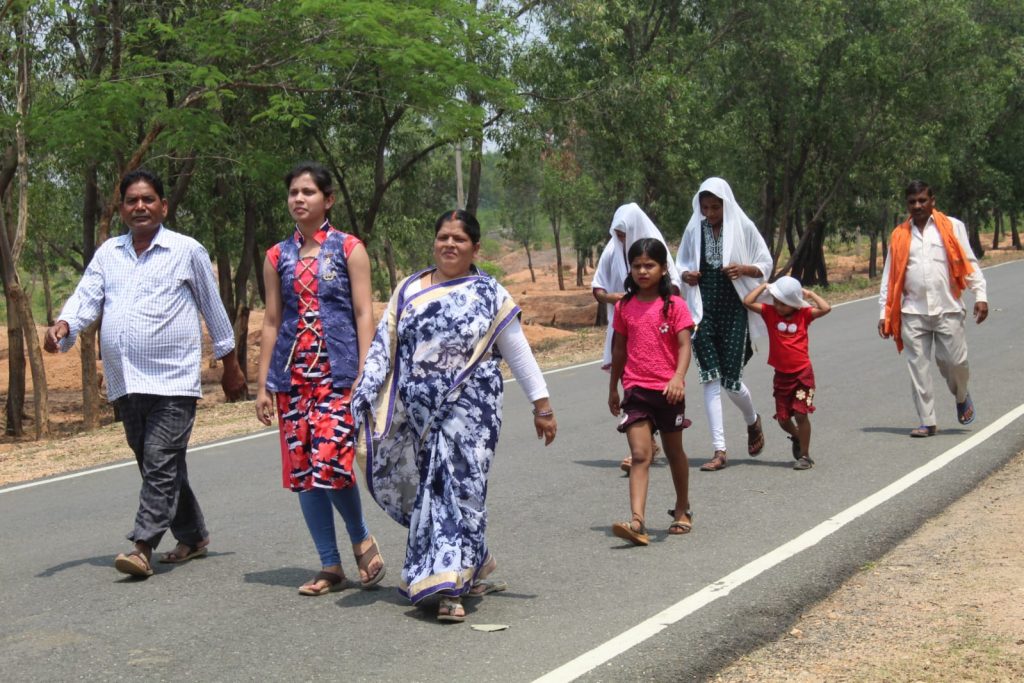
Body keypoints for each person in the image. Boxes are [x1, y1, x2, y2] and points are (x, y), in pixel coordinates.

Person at [351, 209, 557, 623]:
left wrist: (543, 406)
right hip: (418, 420)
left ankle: (449, 588)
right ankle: (465, 565)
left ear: (475, 247)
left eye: (459, 239)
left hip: (472, 415)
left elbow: (517, 351)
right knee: (435, 493)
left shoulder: (489, 293)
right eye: (443, 236)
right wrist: (363, 395)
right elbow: (383, 346)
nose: (449, 244)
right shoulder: (409, 289)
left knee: (462, 492)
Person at [43, 168, 247, 579]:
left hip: (173, 380)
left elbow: (213, 308)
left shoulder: (186, 250)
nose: (140, 206)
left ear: (163, 206)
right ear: (121, 209)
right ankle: (193, 535)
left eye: (148, 199)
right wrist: (64, 328)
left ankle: (141, 546)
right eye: (132, 200)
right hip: (125, 382)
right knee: (157, 461)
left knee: (158, 460)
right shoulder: (109, 254)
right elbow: (86, 298)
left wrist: (231, 366)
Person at [255, 162, 385, 596]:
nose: (298, 199)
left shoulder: (349, 248)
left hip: (339, 374)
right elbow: (272, 320)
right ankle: (330, 565)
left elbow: (365, 312)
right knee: (303, 472)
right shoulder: (277, 256)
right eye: (293, 191)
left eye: (308, 191)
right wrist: (262, 385)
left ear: (327, 199)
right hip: (292, 380)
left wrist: (367, 373)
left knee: (331, 461)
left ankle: (361, 535)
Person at [676, 177, 772, 471]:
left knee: (732, 383)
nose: (710, 213)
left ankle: (752, 420)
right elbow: (679, 264)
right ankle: (719, 450)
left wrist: (743, 268)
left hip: (733, 309)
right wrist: (686, 275)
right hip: (703, 311)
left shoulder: (742, 226)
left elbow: (765, 263)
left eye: (715, 207)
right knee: (710, 378)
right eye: (705, 207)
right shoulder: (695, 228)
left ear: (725, 204)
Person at [878, 180, 988, 437]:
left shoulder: (952, 227)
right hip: (912, 312)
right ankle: (927, 421)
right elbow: (889, 277)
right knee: (918, 367)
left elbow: (968, 261)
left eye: (922, 200)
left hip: (948, 308)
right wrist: (884, 313)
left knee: (954, 362)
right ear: (907, 204)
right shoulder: (899, 235)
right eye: (912, 202)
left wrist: (980, 294)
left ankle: (961, 395)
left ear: (932, 201)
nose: (917, 205)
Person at [608, 238, 694, 546]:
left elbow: (685, 346)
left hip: (669, 392)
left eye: (649, 265)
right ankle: (637, 521)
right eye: (636, 266)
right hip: (635, 389)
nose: (642, 271)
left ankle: (682, 508)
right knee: (641, 454)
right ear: (629, 269)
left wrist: (678, 378)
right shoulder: (624, 307)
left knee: (673, 453)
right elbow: (619, 349)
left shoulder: (675, 305)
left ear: (662, 269)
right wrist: (613, 388)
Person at [592, 203, 682, 473]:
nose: (620, 238)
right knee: (630, 379)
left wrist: (664, 315)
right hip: (625, 323)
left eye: (624, 233)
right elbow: (597, 287)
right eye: (616, 233)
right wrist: (613, 298)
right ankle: (643, 447)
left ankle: (651, 442)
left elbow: (674, 287)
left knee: (654, 384)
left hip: (656, 328)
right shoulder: (611, 250)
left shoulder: (655, 249)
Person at [742, 276, 831, 470]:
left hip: (802, 375)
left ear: (793, 303)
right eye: (775, 301)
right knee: (783, 418)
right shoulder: (770, 313)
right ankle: (798, 437)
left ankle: (805, 456)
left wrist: (810, 294)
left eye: (783, 303)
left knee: (800, 414)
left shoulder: (804, 314)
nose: (778, 306)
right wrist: (764, 286)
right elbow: (747, 302)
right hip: (781, 375)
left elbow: (825, 308)